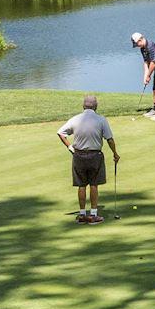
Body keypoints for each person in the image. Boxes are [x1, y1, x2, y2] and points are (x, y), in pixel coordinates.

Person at [57, 94, 119, 224]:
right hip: (95, 156)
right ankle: (93, 215)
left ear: (83, 106)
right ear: (96, 106)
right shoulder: (101, 120)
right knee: (94, 184)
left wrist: (70, 147)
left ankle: (82, 215)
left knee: (81, 185)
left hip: (78, 155)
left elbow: (61, 132)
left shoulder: (76, 119)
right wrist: (115, 153)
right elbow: (110, 139)